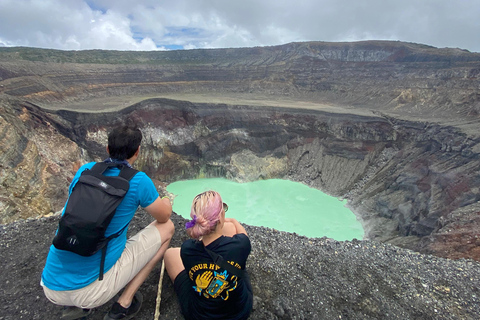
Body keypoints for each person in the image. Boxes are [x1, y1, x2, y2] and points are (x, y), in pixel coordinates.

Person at [41, 125, 175, 320]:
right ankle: (124, 305)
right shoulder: (138, 181)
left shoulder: (85, 170)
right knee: (168, 229)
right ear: (137, 152)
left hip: (51, 286)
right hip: (91, 293)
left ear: (107, 149)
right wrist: (166, 201)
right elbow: (163, 217)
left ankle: (74, 308)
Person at [164, 190, 253, 320]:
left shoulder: (187, 249)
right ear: (221, 217)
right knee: (231, 228)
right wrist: (233, 220)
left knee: (170, 254)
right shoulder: (241, 245)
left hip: (199, 315)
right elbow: (241, 233)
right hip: (238, 313)